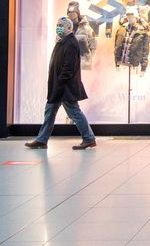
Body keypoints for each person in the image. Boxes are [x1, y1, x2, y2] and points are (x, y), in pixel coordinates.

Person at [26, 17, 97, 150]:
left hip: (64, 88)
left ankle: (89, 138)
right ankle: (42, 139)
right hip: (59, 87)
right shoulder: (63, 42)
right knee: (50, 111)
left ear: (69, 28)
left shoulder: (70, 43)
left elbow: (69, 67)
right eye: (57, 25)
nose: (58, 28)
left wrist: (59, 83)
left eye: (61, 25)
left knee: (74, 112)